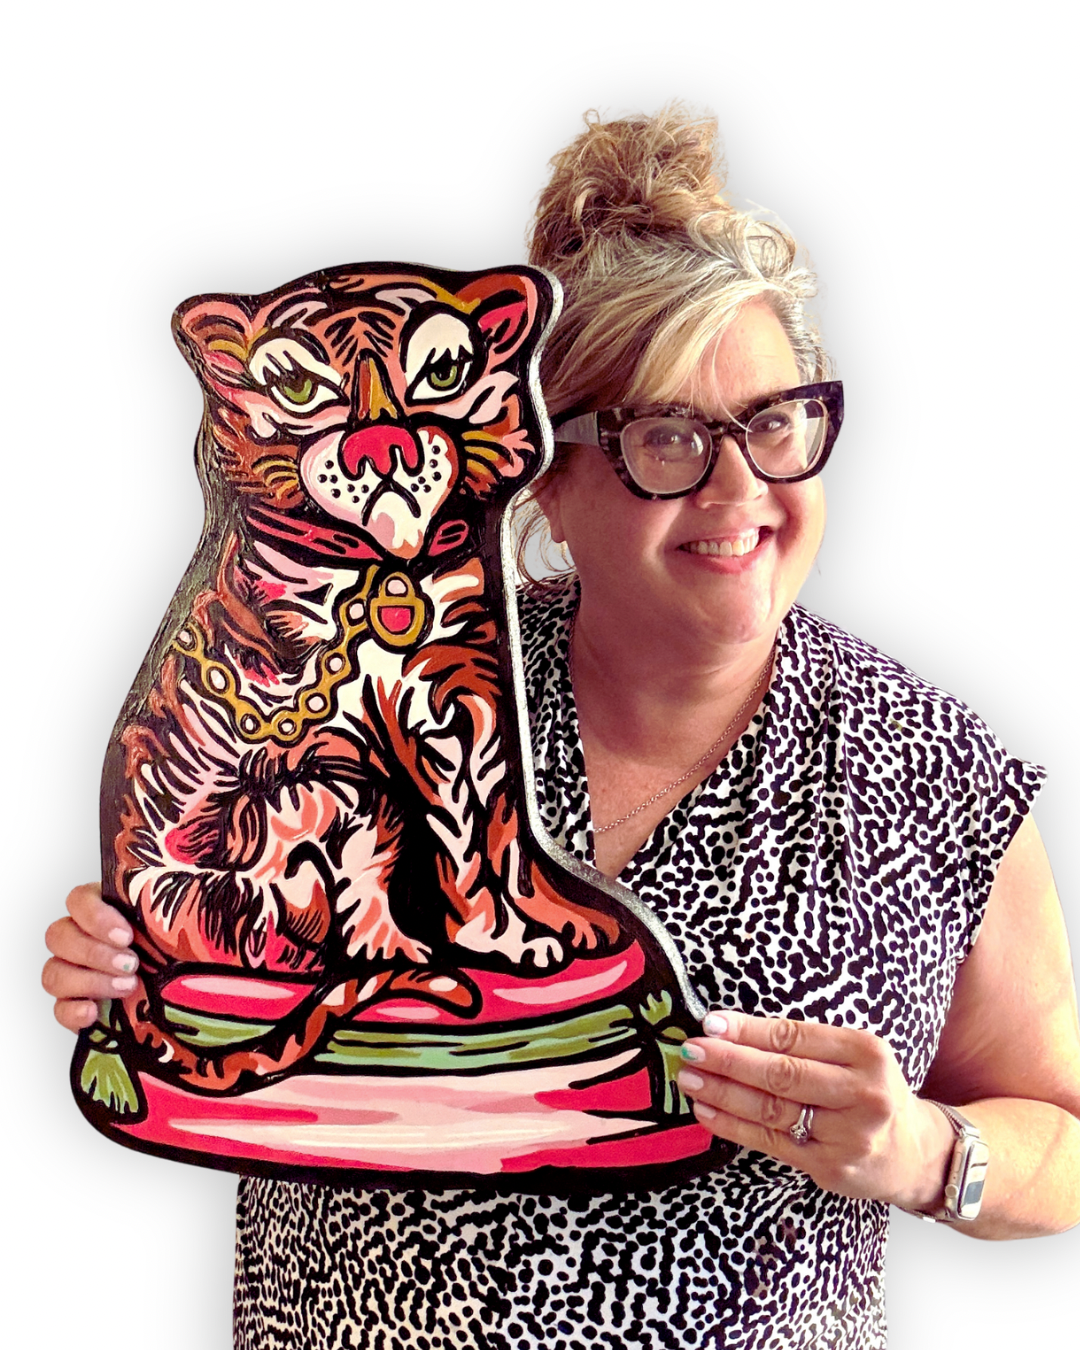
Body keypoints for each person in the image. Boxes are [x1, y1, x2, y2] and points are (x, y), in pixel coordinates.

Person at [42, 108, 1080, 1350]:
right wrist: (134, 961)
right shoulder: (392, 655)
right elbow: (222, 863)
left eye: (774, 422)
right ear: (550, 474)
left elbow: (1064, 1140)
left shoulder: (931, 769)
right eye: (666, 438)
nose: (740, 487)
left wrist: (926, 1153)